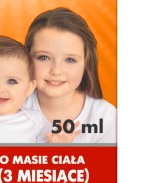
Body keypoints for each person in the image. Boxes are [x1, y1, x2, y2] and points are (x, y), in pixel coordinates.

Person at [24, 8, 117, 144]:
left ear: (86, 63)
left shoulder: (105, 118)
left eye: (70, 60)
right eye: (43, 57)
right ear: (26, 58)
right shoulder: (9, 107)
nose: (56, 71)